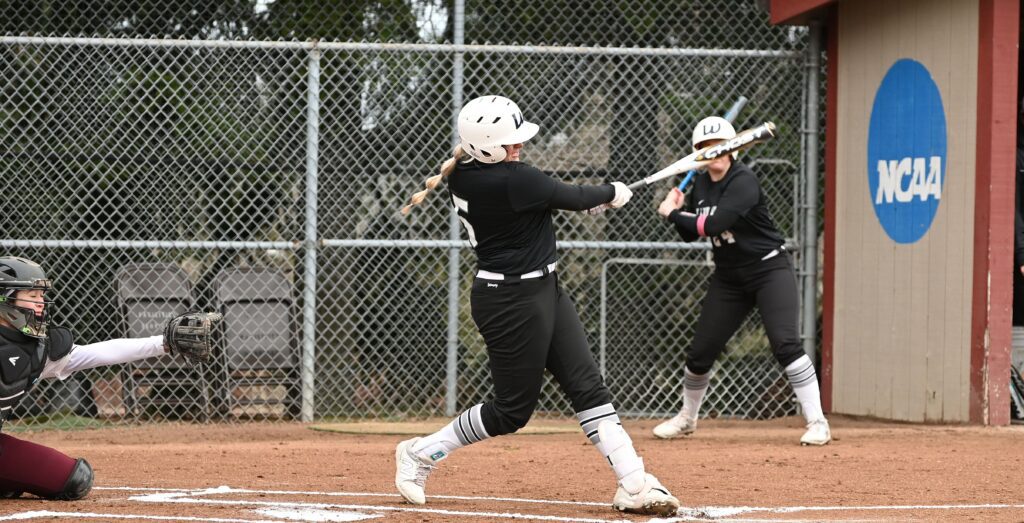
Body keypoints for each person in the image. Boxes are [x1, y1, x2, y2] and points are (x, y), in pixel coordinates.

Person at [397, 95, 680, 516]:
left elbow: (557, 199)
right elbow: (577, 196)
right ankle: (421, 453)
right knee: (512, 412)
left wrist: (596, 197)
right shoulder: (514, 180)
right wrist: (613, 193)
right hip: (509, 302)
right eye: (510, 143)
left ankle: (634, 483)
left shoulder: (469, 173)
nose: (518, 147)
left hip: (544, 290)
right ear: (487, 146)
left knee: (588, 386)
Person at [651, 116, 831, 446]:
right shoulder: (701, 185)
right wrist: (678, 210)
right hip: (729, 278)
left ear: (733, 148)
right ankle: (687, 419)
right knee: (700, 353)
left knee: (785, 343)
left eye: (721, 145)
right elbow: (691, 236)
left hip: (768, 270)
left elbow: (715, 224)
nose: (715, 152)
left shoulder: (743, 180)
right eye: (706, 148)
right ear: (698, 154)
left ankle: (818, 422)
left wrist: (673, 214)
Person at [0, 256, 216, 500]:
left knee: (73, 478)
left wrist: (163, 343)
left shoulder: (37, 350)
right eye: (32, 296)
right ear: (4, 299)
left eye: (41, 296)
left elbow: (99, 353)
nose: (41, 303)